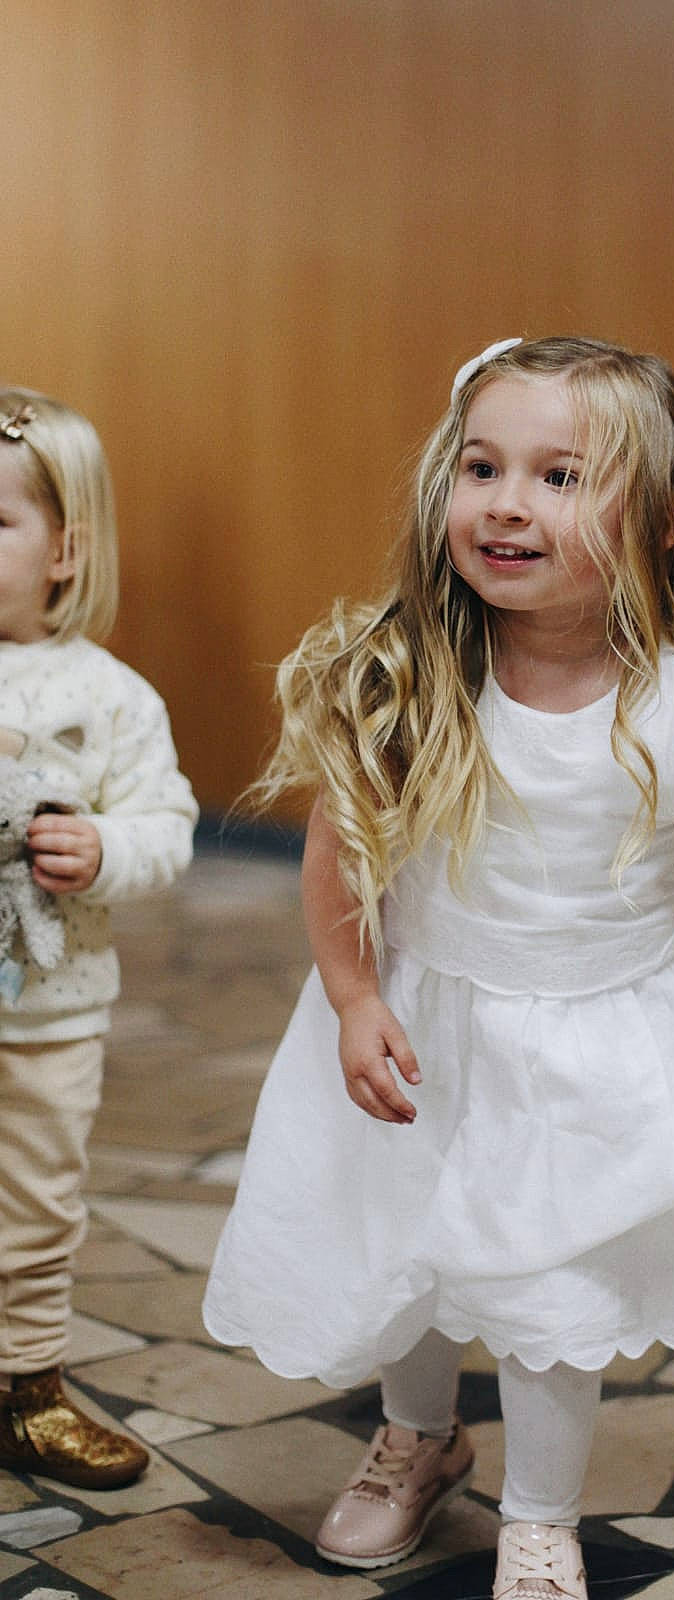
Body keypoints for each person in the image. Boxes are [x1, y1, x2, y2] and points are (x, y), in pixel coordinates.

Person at [203, 337, 674, 1599]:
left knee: (557, 1282)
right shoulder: (410, 679)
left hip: (601, 1041)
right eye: (481, 465)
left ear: (660, 524)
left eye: (561, 476)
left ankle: (540, 1513)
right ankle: (418, 1438)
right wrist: (352, 996)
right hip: (429, 1018)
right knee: (413, 1246)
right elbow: (342, 858)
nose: (507, 501)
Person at [0, 389, 198, 1489]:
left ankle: (27, 1385)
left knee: (35, 1197)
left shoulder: (111, 697)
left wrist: (105, 848)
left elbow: (166, 826)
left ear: (66, 550)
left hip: (48, 1005)